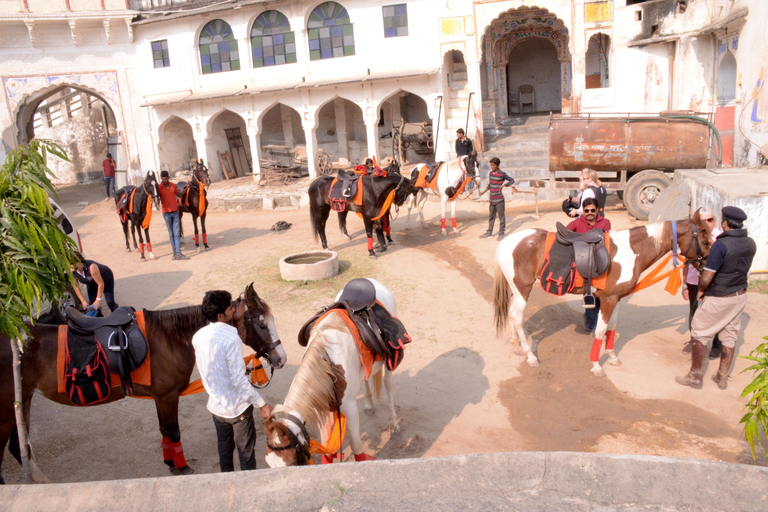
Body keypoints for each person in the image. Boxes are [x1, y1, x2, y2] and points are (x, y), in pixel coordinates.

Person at [676, 206, 756, 390]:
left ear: (725, 223)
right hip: (739, 295)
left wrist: (702, 290)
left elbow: (707, 276)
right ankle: (722, 376)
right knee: (730, 335)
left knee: (699, 331)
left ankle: (695, 376)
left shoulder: (721, 245)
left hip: (719, 295)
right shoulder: (750, 243)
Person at [192, 290, 273, 472]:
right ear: (221, 315)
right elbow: (238, 381)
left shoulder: (198, 337)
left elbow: (211, 368)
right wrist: (262, 404)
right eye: (230, 307)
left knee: (224, 452)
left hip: (216, 408)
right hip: (238, 410)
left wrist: (239, 369)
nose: (233, 309)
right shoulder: (231, 337)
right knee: (246, 454)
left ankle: (226, 483)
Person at [682, 207, 723, 359]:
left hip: (713, 281)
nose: (708, 223)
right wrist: (684, 284)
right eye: (704, 220)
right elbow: (686, 261)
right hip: (694, 280)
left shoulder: (719, 237)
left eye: (710, 220)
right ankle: (694, 341)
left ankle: (717, 345)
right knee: (694, 312)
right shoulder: (692, 236)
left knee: (715, 314)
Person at [567, 197, 611, 333]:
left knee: (600, 293)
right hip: (583, 261)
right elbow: (565, 233)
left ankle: (593, 320)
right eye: (587, 211)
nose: (590, 213)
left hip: (599, 262)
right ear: (583, 211)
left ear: (597, 210)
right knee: (588, 291)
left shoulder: (605, 222)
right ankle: (592, 323)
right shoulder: (577, 222)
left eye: (593, 210)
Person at [479, 157, 516, 240]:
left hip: (499, 200)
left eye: (493, 165)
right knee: (491, 217)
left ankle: (501, 233)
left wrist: (504, 185)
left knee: (501, 217)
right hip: (492, 200)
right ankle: (489, 233)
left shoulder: (502, 174)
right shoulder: (491, 174)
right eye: (491, 165)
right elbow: (490, 185)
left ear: (498, 165)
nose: (492, 167)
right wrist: (482, 193)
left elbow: (512, 180)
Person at [157, 170, 189, 260]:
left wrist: (187, 188)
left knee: (176, 233)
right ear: (161, 178)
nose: (164, 180)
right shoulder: (159, 188)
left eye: (165, 178)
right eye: (162, 179)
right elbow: (155, 197)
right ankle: (174, 253)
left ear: (168, 178)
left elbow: (179, 194)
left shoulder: (172, 185)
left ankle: (178, 253)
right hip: (166, 213)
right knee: (171, 234)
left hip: (175, 212)